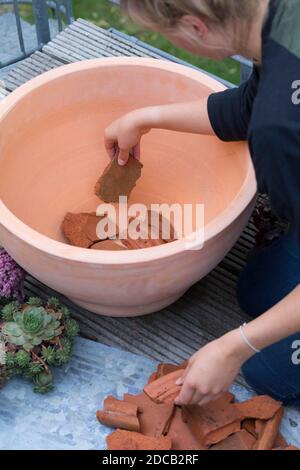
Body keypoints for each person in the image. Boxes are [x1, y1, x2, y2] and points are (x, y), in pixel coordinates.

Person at [104, 0, 300, 407]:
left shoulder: (279, 131)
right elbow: (252, 104)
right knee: (254, 293)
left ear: (197, 27)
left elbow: (269, 113)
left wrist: (234, 346)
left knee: (264, 373)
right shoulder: (281, 16)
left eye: (164, 34)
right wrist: (146, 117)